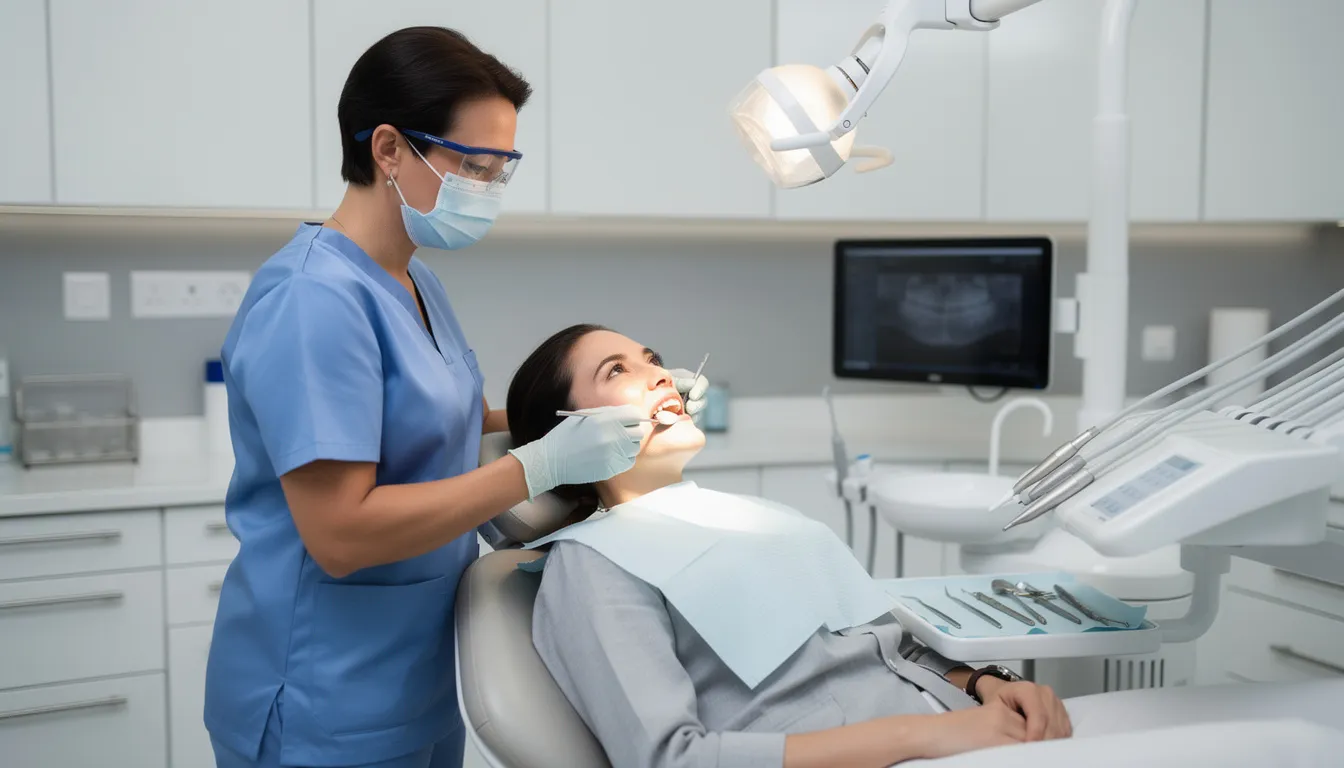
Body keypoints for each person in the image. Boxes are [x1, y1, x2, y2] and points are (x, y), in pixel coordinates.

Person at [203, 29, 710, 768]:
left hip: (418, 684)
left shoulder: (416, 281)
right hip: (322, 697)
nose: (489, 189)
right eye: (473, 166)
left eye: (502, 170)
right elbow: (340, 533)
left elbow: (442, 423)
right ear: (388, 149)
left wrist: (604, 416)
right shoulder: (313, 300)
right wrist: (541, 464)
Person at [506, 324, 1344, 768]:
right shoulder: (594, 568)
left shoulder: (740, 517)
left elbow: (884, 643)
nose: (659, 373)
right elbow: (673, 761)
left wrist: (989, 684)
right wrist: (927, 739)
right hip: (905, 756)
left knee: (1318, 709)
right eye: (617, 371)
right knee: (1296, 752)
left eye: (652, 357)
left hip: (961, 724)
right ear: (566, 431)